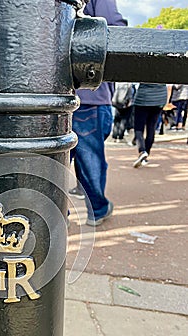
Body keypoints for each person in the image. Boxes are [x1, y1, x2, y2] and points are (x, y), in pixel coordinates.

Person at [70, 0, 127, 227]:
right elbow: (114, 28)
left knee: (53, 157)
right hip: (90, 94)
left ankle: (54, 212)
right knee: (90, 158)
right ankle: (98, 208)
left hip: (49, 93)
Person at [132, 83, 168, 168]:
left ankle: (142, 150)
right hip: (159, 97)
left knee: (138, 128)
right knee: (151, 127)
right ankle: (145, 154)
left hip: (143, 98)